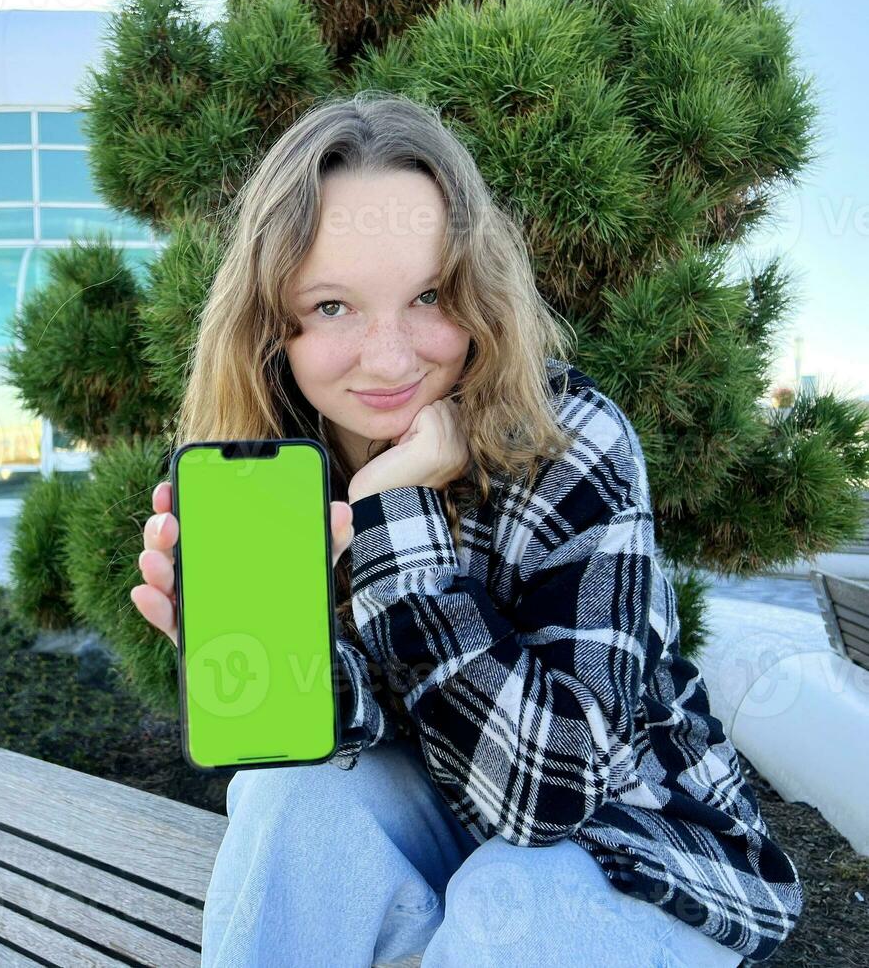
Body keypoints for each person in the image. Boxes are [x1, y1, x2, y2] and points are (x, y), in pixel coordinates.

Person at [129, 91, 802, 967]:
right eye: (332, 306)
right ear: (273, 326)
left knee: (506, 897)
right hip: (450, 824)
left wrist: (390, 514)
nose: (390, 357)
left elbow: (548, 794)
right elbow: (375, 732)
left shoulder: (572, 441)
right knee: (287, 796)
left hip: (648, 851)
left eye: (428, 296)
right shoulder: (278, 468)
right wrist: (262, 670)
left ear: (477, 293)